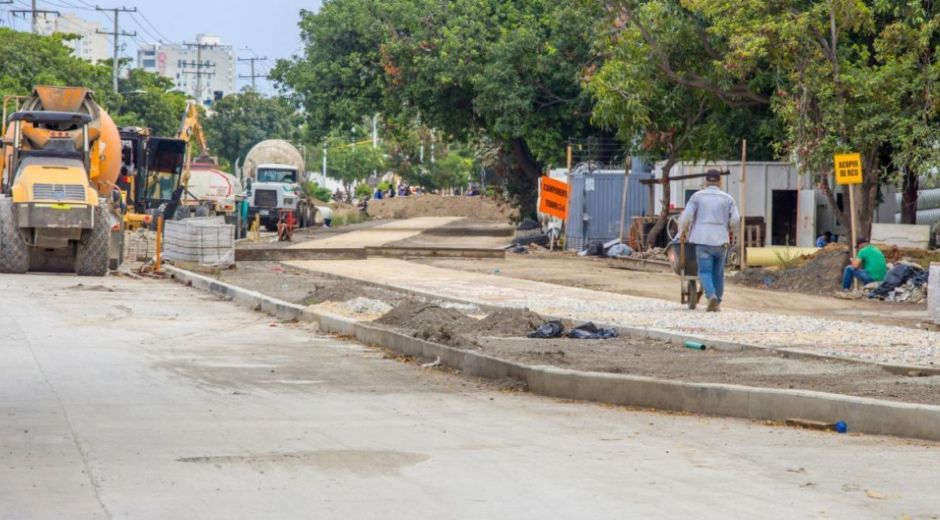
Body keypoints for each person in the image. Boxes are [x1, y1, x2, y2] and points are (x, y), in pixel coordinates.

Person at [678, 169, 740, 312]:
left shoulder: (697, 197)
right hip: (721, 241)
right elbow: (736, 219)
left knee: (705, 271)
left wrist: (683, 231)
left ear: (705, 181)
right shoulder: (728, 198)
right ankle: (717, 302)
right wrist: (728, 228)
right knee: (718, 273)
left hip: (703, 240)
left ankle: (711, 295)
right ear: (720, 181)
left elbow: (686, 217)